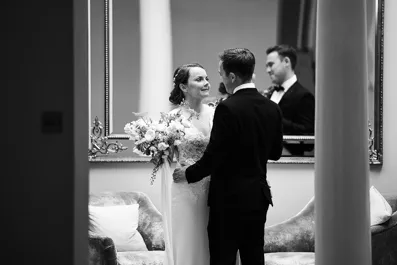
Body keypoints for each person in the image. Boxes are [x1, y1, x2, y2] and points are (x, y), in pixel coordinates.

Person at [173, 48, 283, 265]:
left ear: (232, 77)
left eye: (221, 74)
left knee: (223, 258)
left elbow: (214, 157)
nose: (220, 79)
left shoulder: (227, 108)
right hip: (258, 196)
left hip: (228, 199)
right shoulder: (273, 108)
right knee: (253, 256)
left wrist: (188, 174)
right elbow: (276, 153)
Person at [162, 62, 214, 265]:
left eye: (207, 78)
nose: (206, 83)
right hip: (186, 190)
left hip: (215, 188)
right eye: (199, 79)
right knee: (189, 240)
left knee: (213, 242)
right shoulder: (172, 119)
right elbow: (164, 157)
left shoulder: (217, 113)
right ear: (184, 87)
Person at [265, 44, 315, 136]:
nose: (268, 70)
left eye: (271, 65)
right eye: (266, 66)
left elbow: (308, 134)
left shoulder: (304, 96)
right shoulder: (269, 93)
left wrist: (275, 119)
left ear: (286, 62)